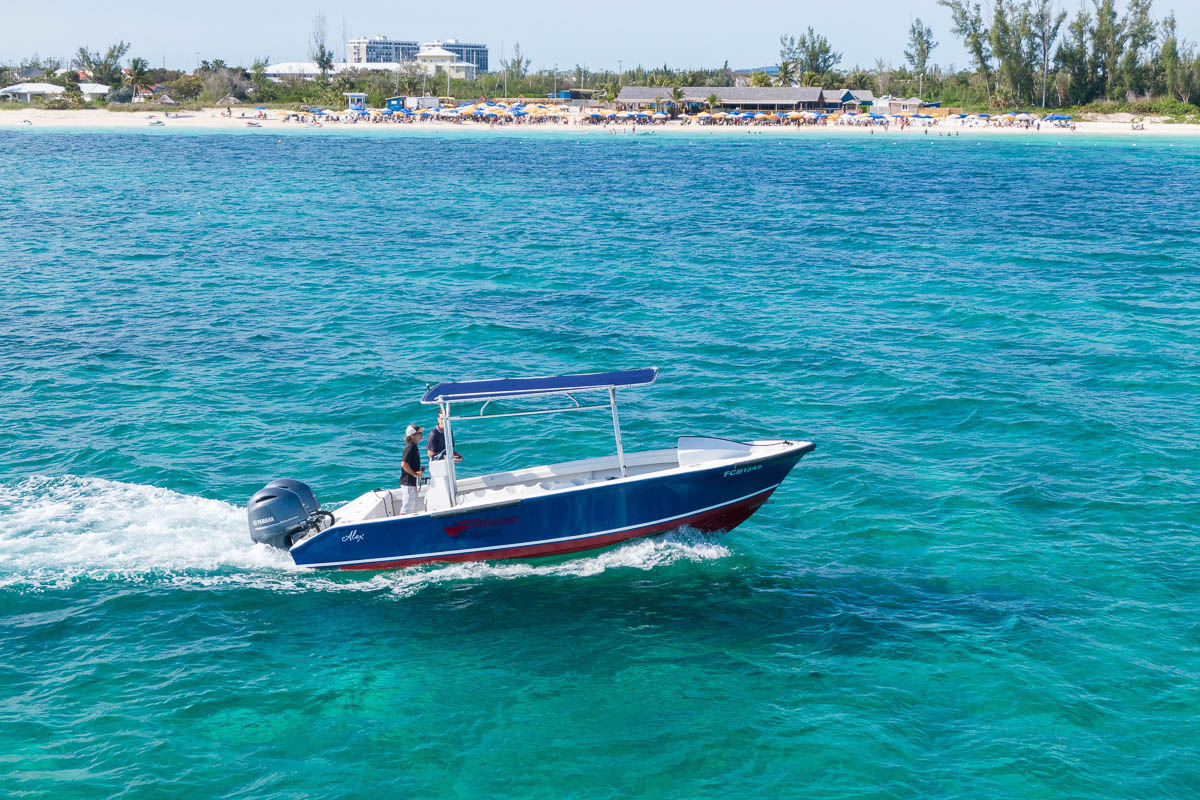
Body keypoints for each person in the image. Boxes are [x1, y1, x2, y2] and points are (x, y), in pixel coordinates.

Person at [399, 424, 423, 514]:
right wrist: (414, 474)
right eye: (419, 433)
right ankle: (400, 526)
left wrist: (419, 469)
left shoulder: (413, 446)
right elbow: (404, 464)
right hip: (408, 482)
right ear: (412, 436)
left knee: (410, 508)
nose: (421, 434)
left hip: (410, 482)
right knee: (406, 509)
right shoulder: (410, 447)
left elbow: (409, 463)